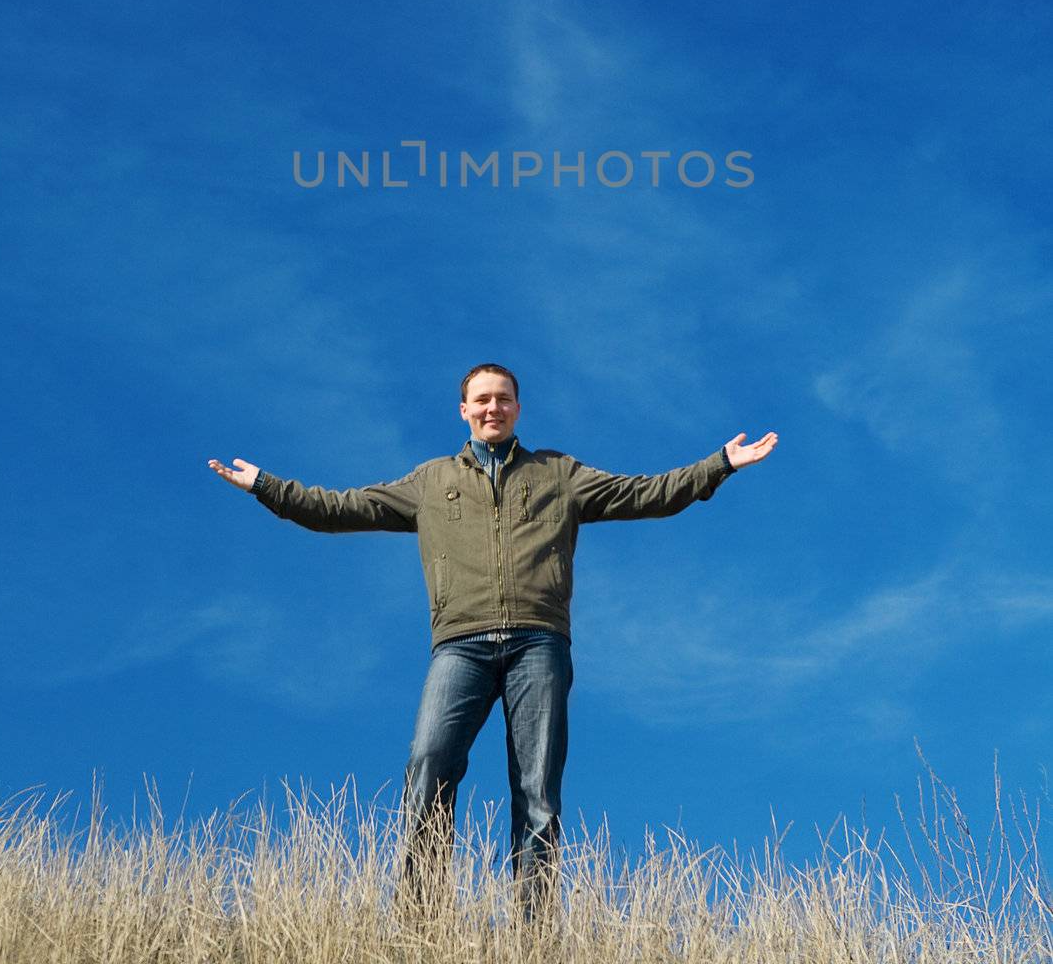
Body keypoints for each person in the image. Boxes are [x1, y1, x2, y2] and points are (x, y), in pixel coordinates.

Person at [208, 362, 777, 924]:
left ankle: (533, 930)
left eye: (502, 399)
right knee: (429, 762)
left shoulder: (558, 473)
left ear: (517, 408)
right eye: (481, 400)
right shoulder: (430, 482)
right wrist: (266, 486)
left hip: (539, 643)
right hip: (461, 644)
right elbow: (339, 509)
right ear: (464, 410)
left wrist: (719, 464)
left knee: (537, 790)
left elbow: (647, 493)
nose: (492, 408)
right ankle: (421, 919)